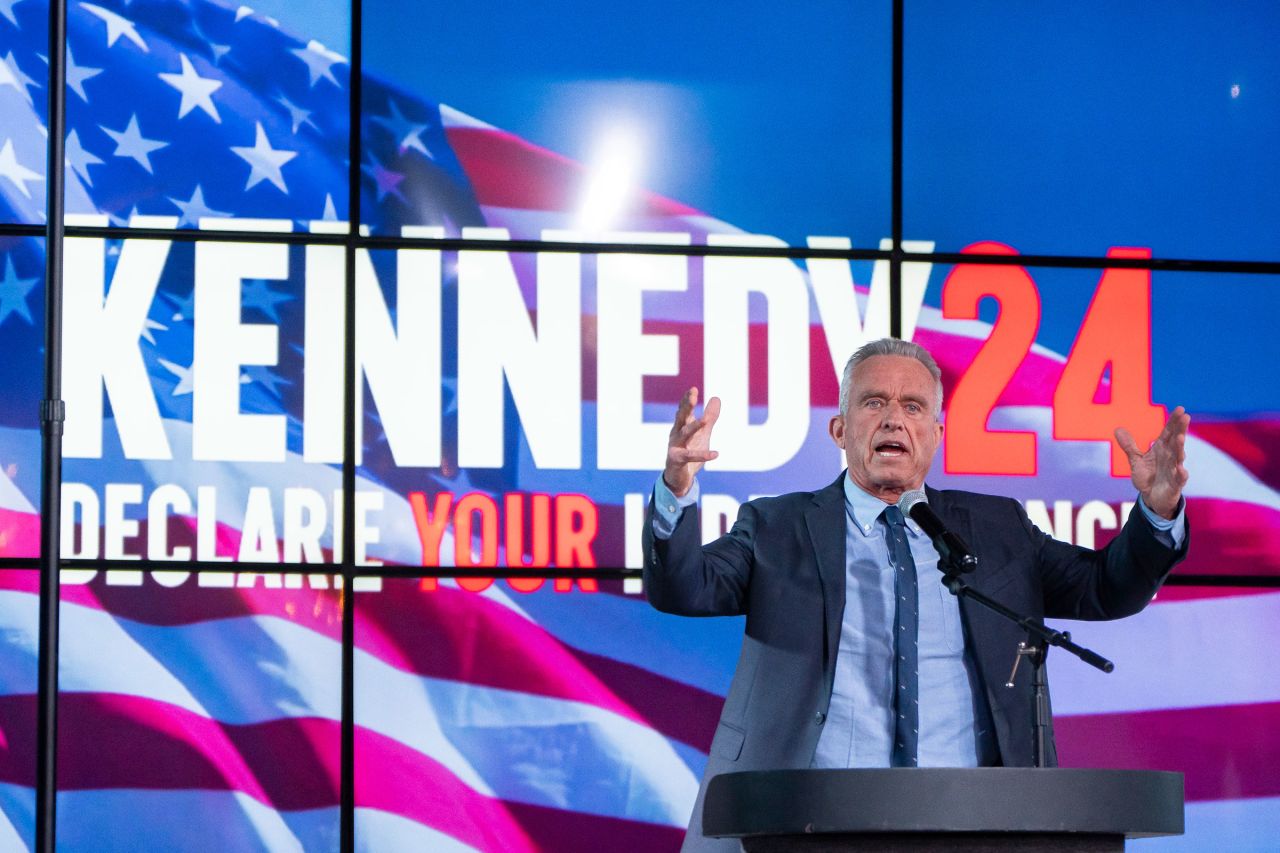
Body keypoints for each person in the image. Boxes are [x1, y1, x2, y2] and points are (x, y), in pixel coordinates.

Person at [643, 337, 1189, 852]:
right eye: (873, 402)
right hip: (807, 818)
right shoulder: (776, 525)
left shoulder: (996, 529)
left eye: (912, 406)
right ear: (838, 429)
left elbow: (1105, 589)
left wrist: (1156, 513)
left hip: (971, 822)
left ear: (936, 432)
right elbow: (684, 587)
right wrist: (677, 492)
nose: (892, 419)